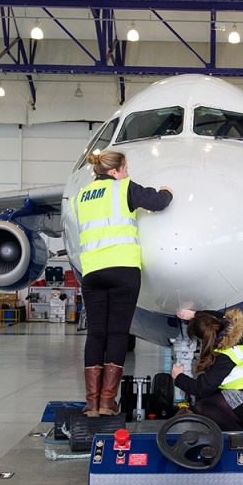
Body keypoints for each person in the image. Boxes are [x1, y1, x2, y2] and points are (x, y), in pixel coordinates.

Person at [76, 149, 172, 417]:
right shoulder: (123, 188)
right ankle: (108, 402)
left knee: (96, 334)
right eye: (126, 168)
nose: (128, 172)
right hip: (122, 270)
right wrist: (167, 191)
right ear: (116, 171)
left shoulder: (80, 197)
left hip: (93, 272)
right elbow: (157, 202)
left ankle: (91, 403)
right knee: (117, 333)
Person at [171, 308, 243, 431]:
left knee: (202, 407)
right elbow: (221, 316)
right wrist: (195, 314)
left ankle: (239, 437)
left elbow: (201, 388)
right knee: (207, 396)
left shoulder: (226, 356)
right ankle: (242, 426)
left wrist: (178, 376)